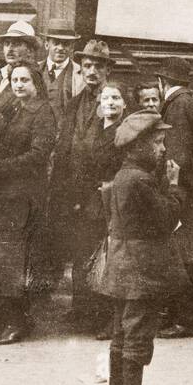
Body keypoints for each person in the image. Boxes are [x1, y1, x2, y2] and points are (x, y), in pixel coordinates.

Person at [95, 110, 185, 385]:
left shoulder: (124, 176)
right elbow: (168, 218)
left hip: (122, 265)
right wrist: (174, 187)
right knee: (138, 338)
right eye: (158, 142)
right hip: (142, 269)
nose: (163, 149)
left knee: (122, 334)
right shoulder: (141, 180)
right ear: (138, 146)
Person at [0, 64, 57, 345]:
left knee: (15, 260)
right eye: (14, 80)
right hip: (5, 196)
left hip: (24, 196)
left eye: (25, 80)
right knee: (4, 258)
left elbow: (38, 155)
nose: (19, 84)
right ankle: (9, 317)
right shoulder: (13, 110)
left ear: (36, 83)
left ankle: (17, 322)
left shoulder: (42, 112)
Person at [50, 39, 114, 318]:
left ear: (107, 71)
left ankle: (103, 316)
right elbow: (64, 148)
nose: (92, 71)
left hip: (103, 191)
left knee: (104, 254)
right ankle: (81, 309)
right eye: (87, 65)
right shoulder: (75, 103)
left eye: (98, 66)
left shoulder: (114, 101)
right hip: (76, 192)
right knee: (80, 250)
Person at [157, 58, 193, 337]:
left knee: (181, 257)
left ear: (162, 83)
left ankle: (185, 319)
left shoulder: (178, 106)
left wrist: (171, 193)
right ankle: (180, 316)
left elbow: (176, 157)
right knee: (185, 257)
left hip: (184, 194)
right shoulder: (187, 102)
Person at [71, 82, 126, 337]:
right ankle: (91, 314)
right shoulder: (93, 128)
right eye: (106, 98)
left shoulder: (125, 132)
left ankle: (111, 321)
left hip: (112, 202)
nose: (110, 103)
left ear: (125, 103)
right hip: (89, 202)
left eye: (116, 98)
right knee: (90, 259)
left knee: (109, 261)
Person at [0, 20, 42, 115]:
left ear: (29, 50)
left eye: (16, 44)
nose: (10, 49)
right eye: (7, 44)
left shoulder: (34, 76)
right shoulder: (3, 72)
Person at [41, 19, 83, 116]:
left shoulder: (81, 74)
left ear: (72, 47)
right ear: (47, 45)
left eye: (66, 44)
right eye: (56, 43)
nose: (60, 48)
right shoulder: (33, 70)